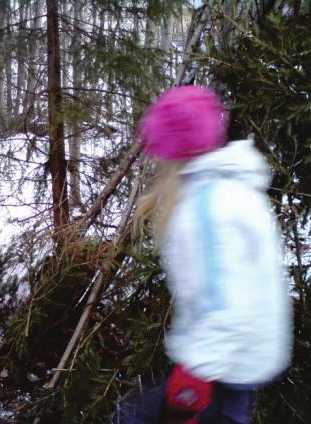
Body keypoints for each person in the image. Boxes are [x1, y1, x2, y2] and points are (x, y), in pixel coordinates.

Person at [127, 86, 292, 423]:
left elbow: (225, 305)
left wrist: (193, 378)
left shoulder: (207, 208)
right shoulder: (233, 188)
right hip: (237, 360)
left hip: (223, 366)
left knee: (132, 417)